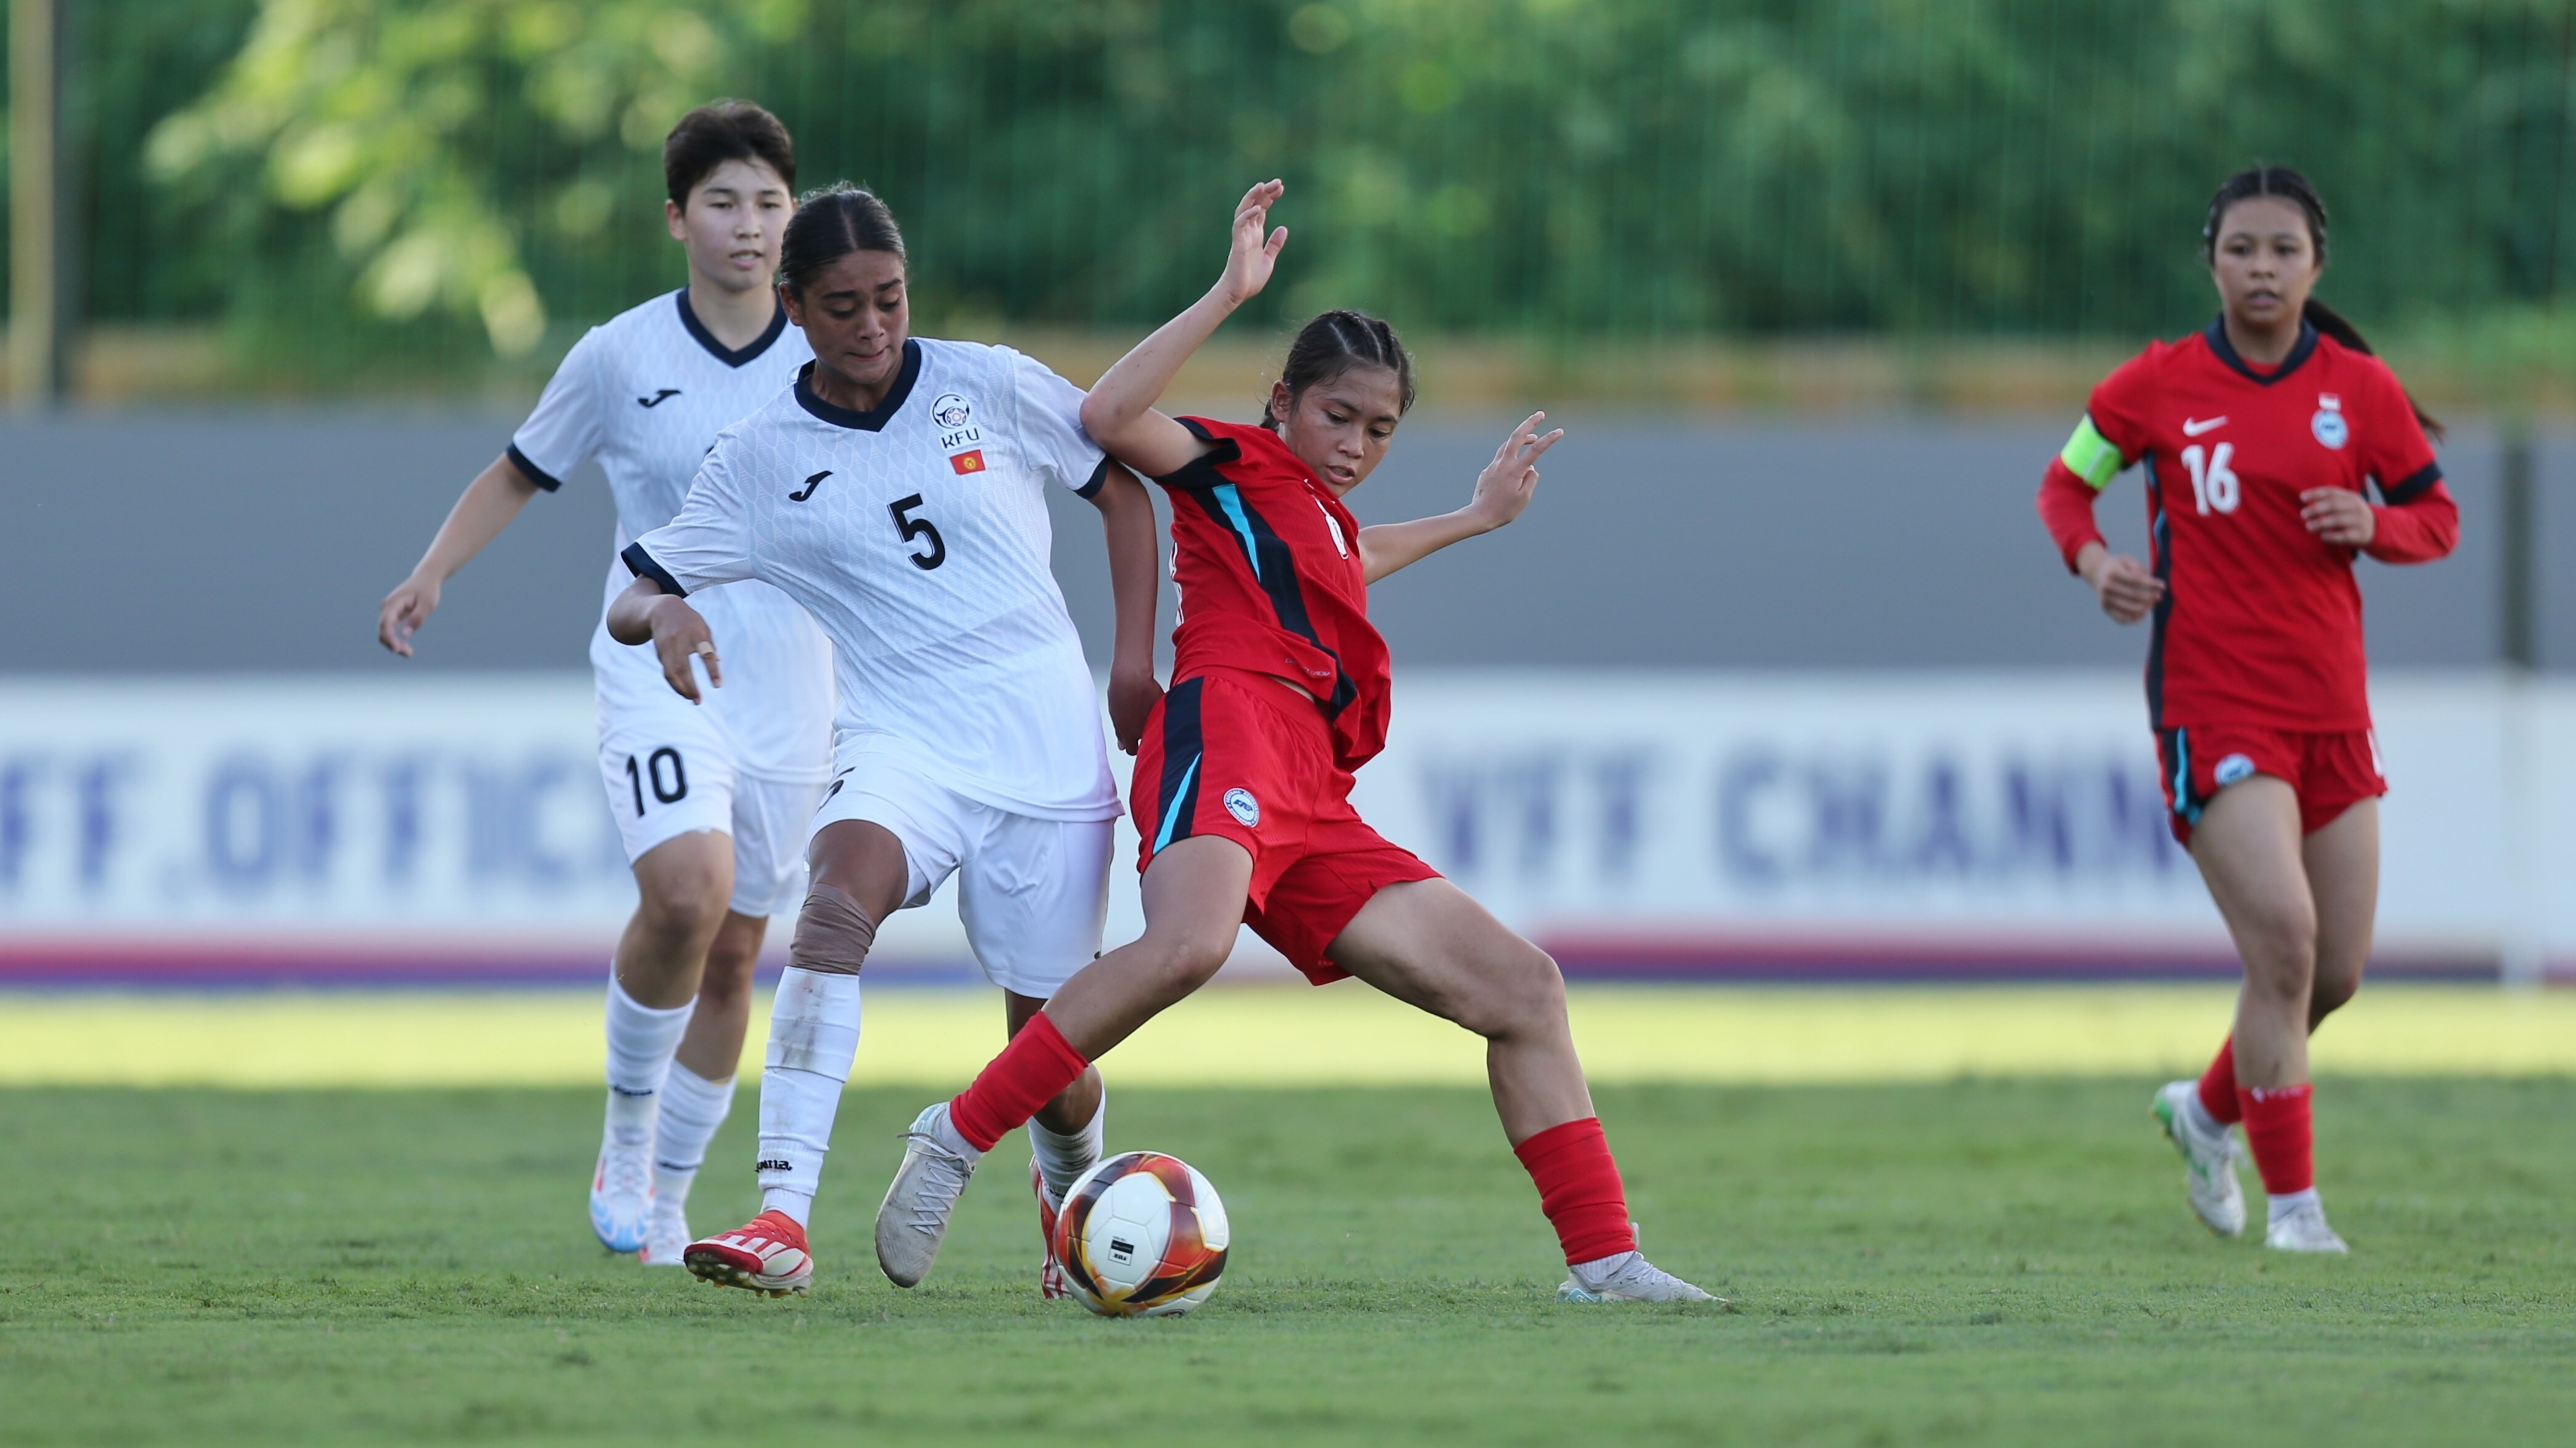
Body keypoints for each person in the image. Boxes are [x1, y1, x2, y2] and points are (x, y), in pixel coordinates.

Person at [870, 181, 1718, 1305]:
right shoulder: (1226, 462)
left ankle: (1603, 1262)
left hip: (1309, 790)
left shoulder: (1315, 514)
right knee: (1188, 949)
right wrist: (1228, 293)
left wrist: (1474, 517)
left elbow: (1347, 558)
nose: (1355, 444)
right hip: (1226, 726)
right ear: (1283, 402)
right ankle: (956, 1136)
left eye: (1380, 429)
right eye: (1337, 416)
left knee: (1523, 989)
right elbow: (1109, 417)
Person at [609, 182, 1164, 1298]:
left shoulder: (989, 384)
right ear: (793, 308)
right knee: (835, 903)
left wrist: (1130, 664)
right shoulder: (760, 455)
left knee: (1051, 1056)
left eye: (890, 299)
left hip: (1046, 743)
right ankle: (781, 1216)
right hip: (901, 737)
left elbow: (1122, 495)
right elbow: (637, 590)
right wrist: (664, 615)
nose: (872, 326)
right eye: (843, 305)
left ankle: (1069, 1212)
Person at [376, 102, 830, 1266]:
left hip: (795, 688)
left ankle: (668, 1200)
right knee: (685, 894)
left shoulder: (833, 351)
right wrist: (431, 571)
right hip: (652, 664)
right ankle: (627, 1131)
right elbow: (518, 472)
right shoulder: (619, 355)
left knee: (734, 953)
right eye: (723, 203)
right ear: (677, 218)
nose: (749, 226)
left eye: (769, 203)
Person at [2035, 166, 2458, 1253]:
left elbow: (2435, 516)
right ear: (2210, 262)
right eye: (2240, 249)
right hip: (2212, 701)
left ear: (2315, 265)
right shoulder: (2157, 384)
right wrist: (2093, 562)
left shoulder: (2360, 390)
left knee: (2331, 974)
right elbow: (2065, 483)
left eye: (2282, 250)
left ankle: (2204, 1113)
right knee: (2283, 941)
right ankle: (2297, 1213)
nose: (2261, 268)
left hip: (2330, 710)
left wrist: (2373, 526)